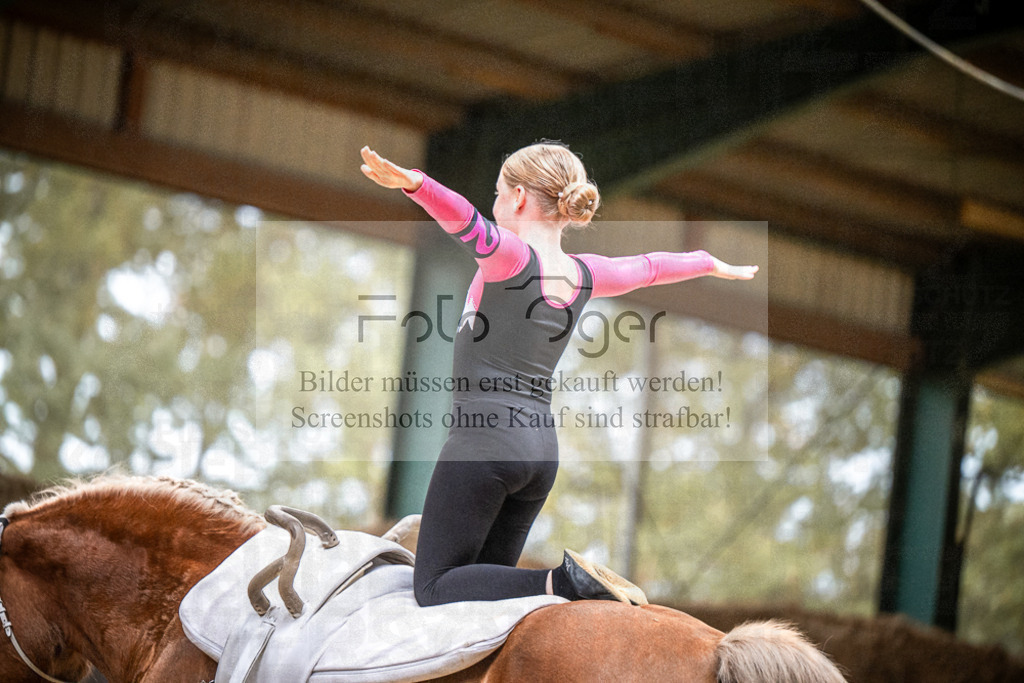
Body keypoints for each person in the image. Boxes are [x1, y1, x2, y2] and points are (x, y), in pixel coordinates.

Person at [360, 142, 757, 607]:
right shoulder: (586, 274)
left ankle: (562, 584)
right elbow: (649, 268)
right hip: (540, 453)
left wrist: (415, 183)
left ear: (521, 198)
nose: (494, 203)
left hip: (484, 445)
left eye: (498, 192)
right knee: (477, 601)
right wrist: (708, 263)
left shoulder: (508, 257)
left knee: (433, 588)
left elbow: (464, 220)